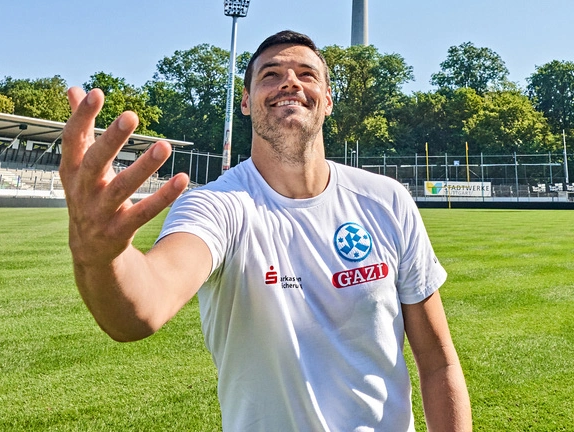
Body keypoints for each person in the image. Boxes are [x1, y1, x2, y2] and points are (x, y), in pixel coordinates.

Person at [60, 29, 472, 432]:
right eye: (270, 74)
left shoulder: (387, 200)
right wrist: (100, 256)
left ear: (327, 100)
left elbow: (438, 362)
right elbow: (141, 309)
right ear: (246, 101)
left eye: (307, 74)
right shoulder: (217, 206)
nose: (289, 82)